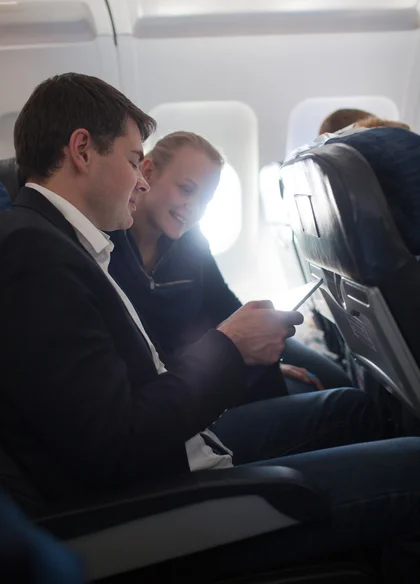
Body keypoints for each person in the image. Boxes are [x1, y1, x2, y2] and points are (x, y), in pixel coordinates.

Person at [2, 73, 420, 581]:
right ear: (82, 150)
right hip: (163, 502)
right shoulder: (33, 254)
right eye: (135, 161)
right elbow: (114, 445)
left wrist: (239, 350)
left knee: (353, 410)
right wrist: (230, 348)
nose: (141, 180)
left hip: (179, 454)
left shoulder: (61, 241)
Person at [109, 131, 351, 394]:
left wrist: (262, 339)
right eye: (186, 189)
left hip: (216, 353)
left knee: (334, 378)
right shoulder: (109, 250)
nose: (194, 207)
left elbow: (224, 305)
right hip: (191, 376)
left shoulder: (191, 241)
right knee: (343, 401)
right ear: (148, 170)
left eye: (205, 200)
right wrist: (240, 364)